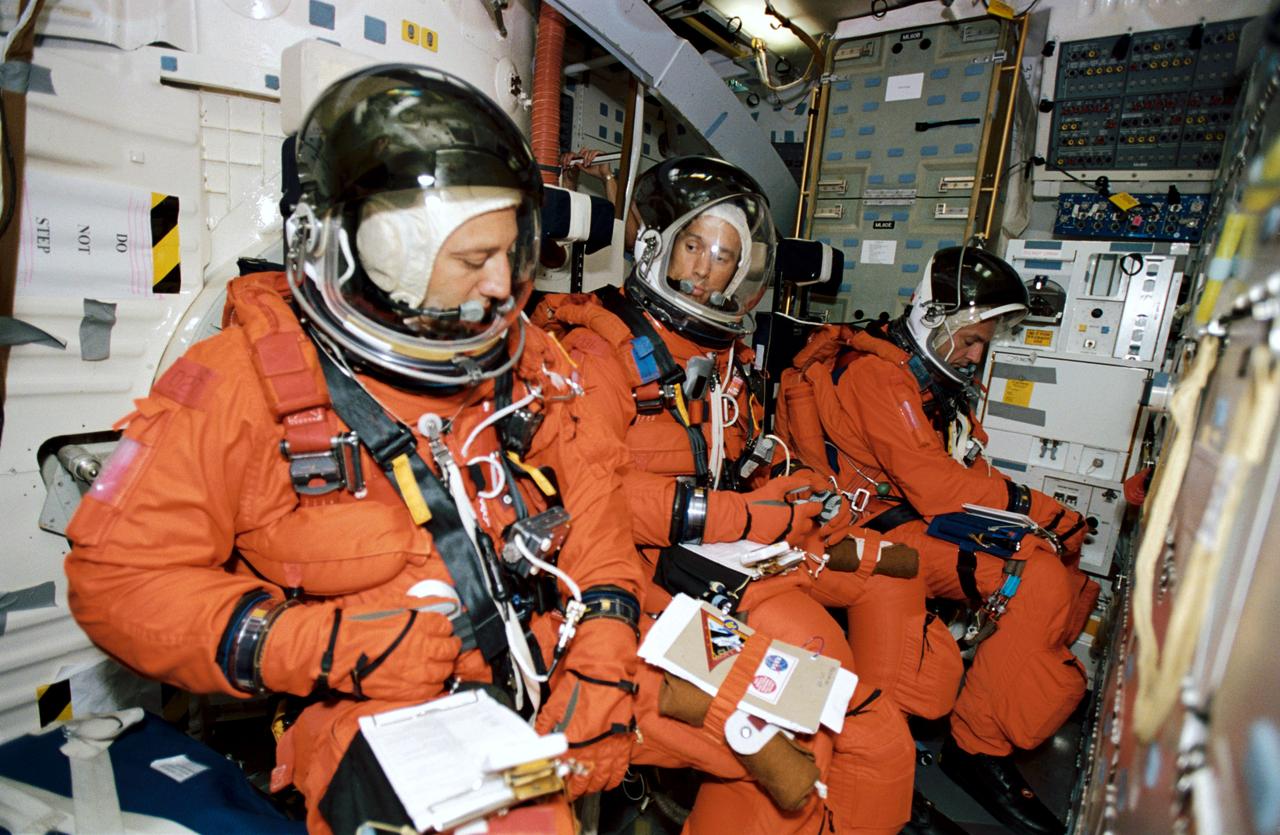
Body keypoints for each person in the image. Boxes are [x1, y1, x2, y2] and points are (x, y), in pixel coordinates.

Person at [63, 66, 645, 835]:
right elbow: (116, 579)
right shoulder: (234, 384)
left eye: (511, 253)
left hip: (546, 664)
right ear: (379, 253)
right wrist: (319, 644)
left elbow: (597, 512)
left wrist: (605, 642)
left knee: (792, 707)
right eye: (474, 261)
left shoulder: (529, 366)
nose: (504, 284)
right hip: (372, 711)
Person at [534, 155, 915, 834]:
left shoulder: (720, 358)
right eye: (696, 245)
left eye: (727, 257)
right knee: (806, 704)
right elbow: (601, 498)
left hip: (716, 563)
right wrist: (746, 512)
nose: (709, 268)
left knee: (871, 721)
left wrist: (782, 489)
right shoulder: (598, 356)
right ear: (657, 242)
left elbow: (732, 460)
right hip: (643, 583)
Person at [775, 246, 1101, 835]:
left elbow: (953, 476)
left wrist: (1039, 520)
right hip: (861, 532)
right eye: (971, 341)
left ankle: (979, 744)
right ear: (934, 318)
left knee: (1048, 564)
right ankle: (970, 747)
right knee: (1034, 577)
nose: (977, 358)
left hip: (906, 520)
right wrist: (1039, 508)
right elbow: (938, 488)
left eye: (983, 344)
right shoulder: (879, 375)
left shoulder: (918, 378)